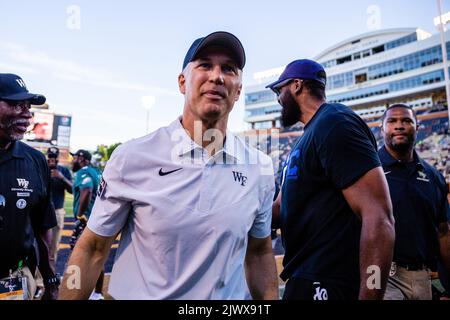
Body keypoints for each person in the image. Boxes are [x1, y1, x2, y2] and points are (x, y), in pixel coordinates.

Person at [59, 31, 278, 300]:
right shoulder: (133, 156)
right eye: (205, 65)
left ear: (238, 91)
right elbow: (93, 248)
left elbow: (259, 252)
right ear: (182, 82)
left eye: (229, 69)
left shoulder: (259, 168)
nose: (217, 76)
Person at [269, 59, 395, 300]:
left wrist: (371, 294)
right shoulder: (309, 135)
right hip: (304, 276)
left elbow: (379, 218)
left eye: (279, 90)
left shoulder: (335, 123)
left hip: (329, 282)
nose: (278, 98)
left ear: (296, 85)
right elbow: (279, 209)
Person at [378, 104, 450, 300]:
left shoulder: (433, 176)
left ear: (418, 128)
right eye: (392, 121)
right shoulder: (368, 170)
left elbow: (443, 231)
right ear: (382, 128)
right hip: (380, 272)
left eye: (407, 121)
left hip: (421, 274)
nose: (399, 126)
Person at [0, 73, 59, 300]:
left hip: (12, 282)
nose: (26, 114)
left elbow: (42, 227)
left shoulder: (34, 160)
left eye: (27, 107)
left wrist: (50, 280)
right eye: (16, 105)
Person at [69, 149, 104, 300]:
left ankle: (81, 293)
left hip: (86, 220)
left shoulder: (83, 172)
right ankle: (97, 293)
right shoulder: (96, 171)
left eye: (75, 157)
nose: (73, 160)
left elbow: (87, 189)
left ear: (82, 159)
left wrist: (79, 214)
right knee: (97, 257)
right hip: (98, 219)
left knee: (80, 257)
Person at [47, 146, 73, 271]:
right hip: (42, 211)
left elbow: (72, 190)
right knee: (38, 246)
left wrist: (61, 177)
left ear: (58, 157)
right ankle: (37, 281)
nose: (52, 160)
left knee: (53, 247)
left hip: (57, 211)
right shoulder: (41, 167)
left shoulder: (63, 170)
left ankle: (48, 280)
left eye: (54, 157)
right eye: (50, 157)